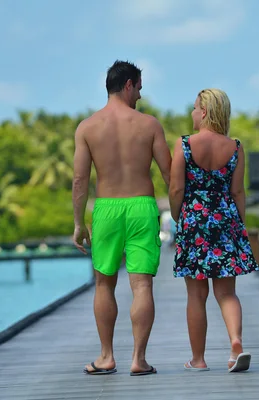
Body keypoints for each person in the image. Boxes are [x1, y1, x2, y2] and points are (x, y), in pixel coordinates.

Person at [72, 60, 172, 376]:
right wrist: (182, 216)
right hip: (142, 206)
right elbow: (170, 175)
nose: (140, 95)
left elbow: (79, 180)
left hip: (107, 209)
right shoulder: (150, 125)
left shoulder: (87, 127)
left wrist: (78, 223)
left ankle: (106, 356)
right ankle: (138, 360)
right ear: (128, 84)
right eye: (139, 88)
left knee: (104, 283)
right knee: (142, 285)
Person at [168, 88, 259, 373]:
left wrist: (179, 217)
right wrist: (239, 226)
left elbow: (176, 188)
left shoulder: (184, 144)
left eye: (195, 108)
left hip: (194, 221)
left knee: (196, 296)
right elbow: (237, 191)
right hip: (225, 221)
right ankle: (235, 343)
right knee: (227, 293)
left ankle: (198, 359)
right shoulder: (235, 147)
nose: (193, 113)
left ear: (205, 111)